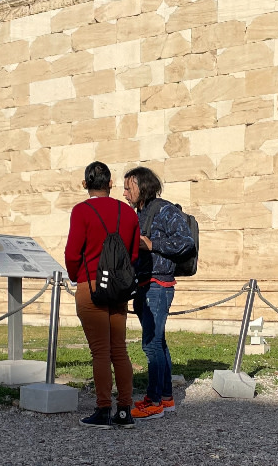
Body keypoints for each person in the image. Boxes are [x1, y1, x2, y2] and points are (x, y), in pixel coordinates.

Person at [66, 161, 140, 429]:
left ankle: (102, 409)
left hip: (92, 284)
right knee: (119, 350)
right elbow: (132, 253)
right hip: (118, 287)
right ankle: (125, 410)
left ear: (85, 184)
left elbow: (73, 252)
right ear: (110, 184)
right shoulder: (128, 213)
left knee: (100, 351)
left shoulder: (81, 211)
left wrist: (78, 277)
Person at [122, 167, 196, 420]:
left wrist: (153, 244)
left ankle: (154, 402)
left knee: (151, 344)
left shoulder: (165, 210)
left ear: (142, 187)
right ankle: (165, 399)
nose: (124, 193)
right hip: (144, 283)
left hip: (158, 285)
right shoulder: (140, 213)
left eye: (128, 188)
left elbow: (186, 241)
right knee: (159, 343)